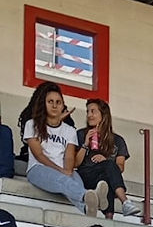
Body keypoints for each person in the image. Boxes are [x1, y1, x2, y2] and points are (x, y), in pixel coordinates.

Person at [22, 82, 98, 215]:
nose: (54, 105)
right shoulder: (32, 124)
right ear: (43, 104)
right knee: (64, 181)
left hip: (63, 169)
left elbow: (69, 156)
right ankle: (91, 197)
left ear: (63, 106)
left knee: (76, 181)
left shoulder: (69, 130)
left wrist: (68, 170)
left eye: (58, 102)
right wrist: (61, 171)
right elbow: (39, 155)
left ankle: (86, 209)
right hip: (38, 168)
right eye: (50, 101)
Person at [74, 99, 138, 217]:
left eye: (93, 111)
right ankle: (125, 202)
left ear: (103, 115)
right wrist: (85, 143)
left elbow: (120, 167)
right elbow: (75, 164)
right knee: (109, 170)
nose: (89, 115)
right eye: (87, 111)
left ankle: (109, 218)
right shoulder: (81, 134)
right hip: (85, 175)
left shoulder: (118, 140)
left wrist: (105, 161)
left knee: (106, 179)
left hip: (104, 178)